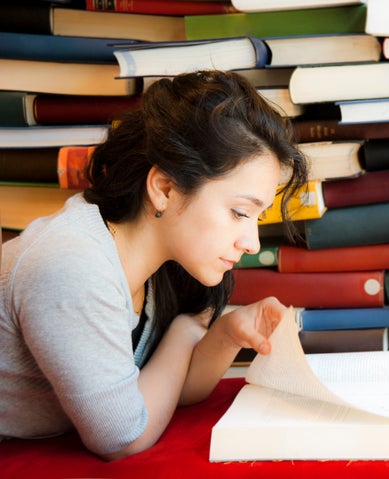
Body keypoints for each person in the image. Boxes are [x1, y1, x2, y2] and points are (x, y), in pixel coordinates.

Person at [0, 70, 308, 460]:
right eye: (239, 212)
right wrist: (185, 330)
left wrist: (228, 333)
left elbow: (168, 387)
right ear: (164, 188)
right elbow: (122, 436)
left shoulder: (161, 259)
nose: (252, 243)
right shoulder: (73, 265)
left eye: (256, 218)